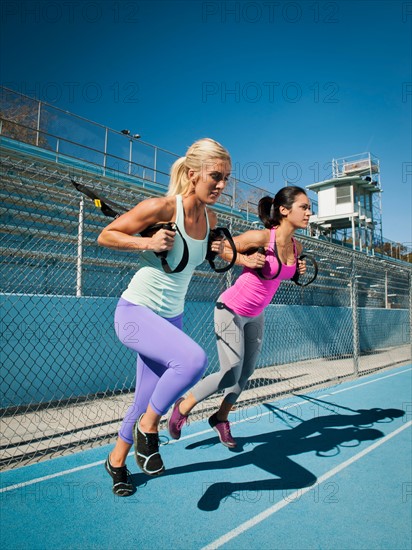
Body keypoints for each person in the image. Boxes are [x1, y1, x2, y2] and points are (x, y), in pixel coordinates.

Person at [97, 138, 232, 496]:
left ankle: (115, 462)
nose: (221, 185)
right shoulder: (161, 207)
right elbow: (106, 234)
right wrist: (147, 243)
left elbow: (206, 253)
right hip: (135, 313)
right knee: (193, 360)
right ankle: (149, 427)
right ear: (192, 174)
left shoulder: (211, 217)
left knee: (144, 399)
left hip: (172, 319)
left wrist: (229, 251)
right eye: (214, 176)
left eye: (226, 178)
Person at [168, 185, 311, 448]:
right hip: (231, 310)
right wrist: (244, 261)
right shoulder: (260, 237)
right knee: (230, 372)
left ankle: (220, 418)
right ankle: (184, 405)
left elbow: (289, 271)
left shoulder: (296, 245)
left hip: (256, 315)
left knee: (246, 373)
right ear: (283, 210)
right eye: (304, 207)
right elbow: (218, 248)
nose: (309, 213)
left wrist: (299, 269)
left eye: (309, 208)